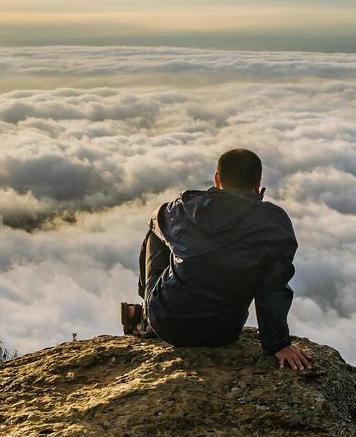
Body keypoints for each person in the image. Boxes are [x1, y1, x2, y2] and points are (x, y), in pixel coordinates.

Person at [122, 149, 311, 370]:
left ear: (217, 179)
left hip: (166, 322)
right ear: (258, 183)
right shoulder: (274, 223)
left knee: (157, 231)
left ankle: (147, 312)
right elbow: (274, 286)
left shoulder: (185, 210)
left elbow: (155, 218)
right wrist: (279, 343)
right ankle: (150, 311)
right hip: (223, 331)